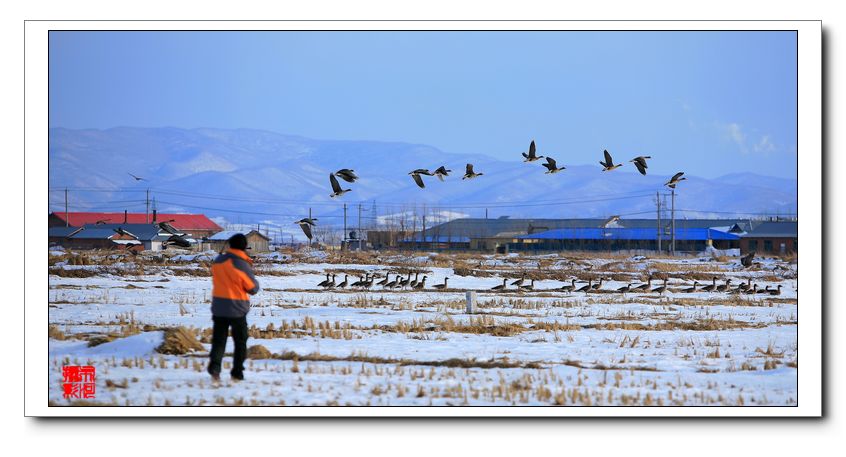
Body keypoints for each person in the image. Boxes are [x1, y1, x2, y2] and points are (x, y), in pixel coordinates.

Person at [208, 233, 259, 381]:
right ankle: (237, 372)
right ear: (244, 246)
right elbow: (252, 288)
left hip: (218, 306)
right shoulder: (241, 264)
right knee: (240, 340)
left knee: (218, 340)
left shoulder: (218, 261)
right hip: (237, 307)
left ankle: (215, 369)